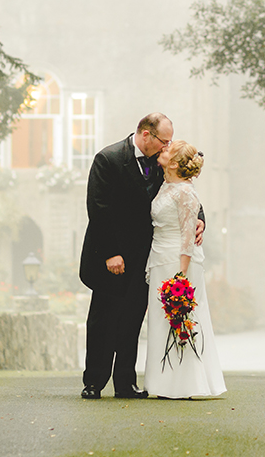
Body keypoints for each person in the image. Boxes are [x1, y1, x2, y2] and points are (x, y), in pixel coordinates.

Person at [79, 113, 203, 399]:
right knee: (103, 320)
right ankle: (94, 381)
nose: (167, 146)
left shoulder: (163, 162)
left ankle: (125, 383)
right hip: (110, 258)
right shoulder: (107, 159)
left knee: (132, 321)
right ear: (146, 135)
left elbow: (185, 190)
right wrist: (111, 253)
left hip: (147, 258)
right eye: (164, 140)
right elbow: (98, 209)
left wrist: (201, 219)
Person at [143, 141, 225, 399]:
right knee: (160, 321)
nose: (162, 151)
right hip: (159, 256)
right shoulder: (166, 184)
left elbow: (188, 238)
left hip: (179, 262)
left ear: (176, 163)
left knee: (182, 317)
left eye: (167, 150)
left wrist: (181, 275)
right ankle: (162, 384)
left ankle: (186, 385)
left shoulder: (186, 193)